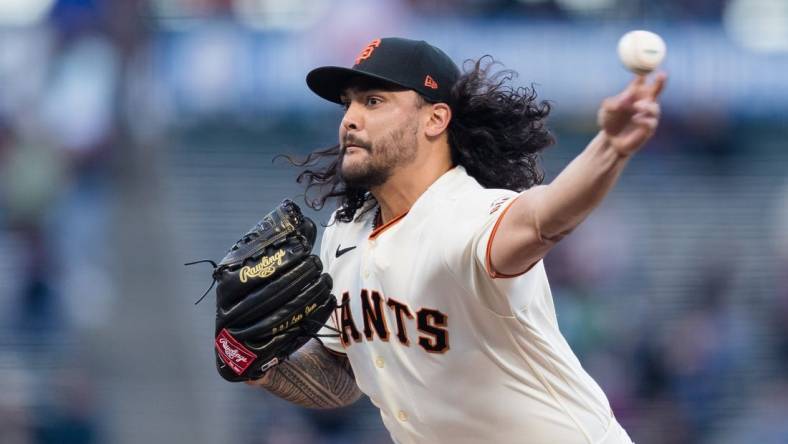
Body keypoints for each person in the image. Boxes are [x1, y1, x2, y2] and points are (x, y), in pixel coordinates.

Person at [246, 37, 665, 444]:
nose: (350, 119)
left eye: (373, 101)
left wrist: (609, 148)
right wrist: (259, 363)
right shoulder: (343, 233)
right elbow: (342, 378)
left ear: (435, 119)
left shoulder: (465, 215)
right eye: (348, 103)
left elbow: (544, 219)